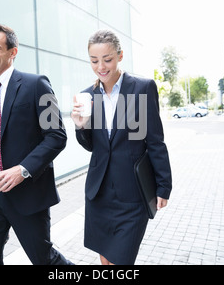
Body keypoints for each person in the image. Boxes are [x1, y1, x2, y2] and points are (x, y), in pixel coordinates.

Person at [0, 23, 72, 265]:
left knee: (44, 259)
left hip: (27, 192)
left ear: (13, 52)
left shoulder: (38, 84)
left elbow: (56, 136)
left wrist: (23, 170)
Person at [71, 30, 172, 265]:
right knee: (105, 260)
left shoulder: (142, 88)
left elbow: (155, 140)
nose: (101, 67)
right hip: (99, 193)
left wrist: (164, 185)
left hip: (132, 194)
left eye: (107, 59)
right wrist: (80, 126)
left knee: (120, 261)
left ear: (120, 56)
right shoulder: (88, 95)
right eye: (94, 61)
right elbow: (92, 146)